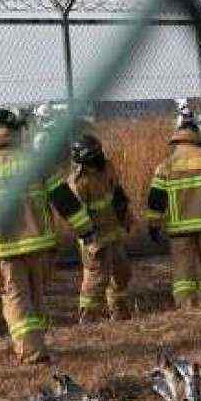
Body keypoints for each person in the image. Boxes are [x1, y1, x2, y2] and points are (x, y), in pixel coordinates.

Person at [0, 106, 94, 362]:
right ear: (16, 133)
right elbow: (64, 199)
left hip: (5, 250)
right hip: (41, 246)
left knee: (16, 300)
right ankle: (35, 342)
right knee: (35, 298)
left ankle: (32, 352)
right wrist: (85, 229)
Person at [146, 101, 201, 308]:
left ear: (177, 136)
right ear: (197, 134)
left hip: (179, 231)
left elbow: (156, 200)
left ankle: (186, 309)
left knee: (183, 275)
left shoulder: (166, 165)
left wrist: (153, 226)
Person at [66, 130, 135, 321]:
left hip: (114, 232)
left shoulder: (107, 168)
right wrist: (89, 239)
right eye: (94, 156)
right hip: (94, 238)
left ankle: (119, 313)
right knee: (97, 278)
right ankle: (88, 319)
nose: (99, 158)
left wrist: (127, 216)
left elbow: (118, 194)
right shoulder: (77, 182)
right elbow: (76, 216)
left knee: (122, 273)